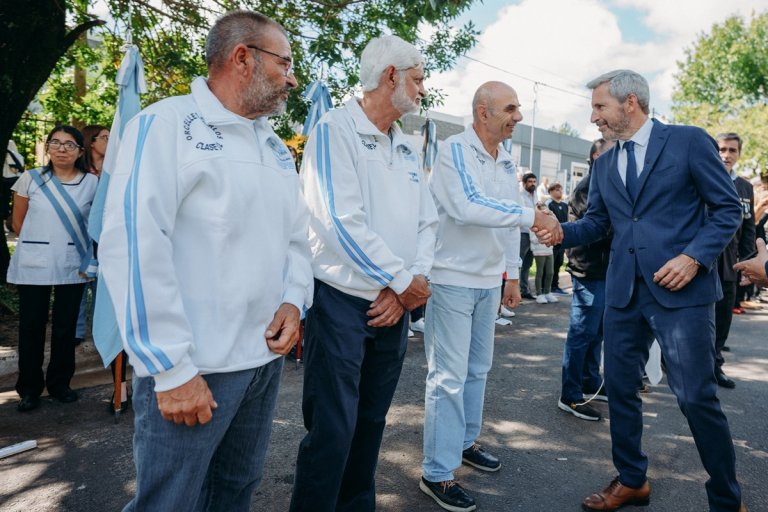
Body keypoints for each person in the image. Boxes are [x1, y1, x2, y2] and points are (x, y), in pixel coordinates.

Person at [98, 11, 313, 511]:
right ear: (243, 58)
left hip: (261, 363)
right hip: (194, 368)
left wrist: (292, 300)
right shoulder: (164, 124)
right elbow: (132, 244)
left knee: (235, 492)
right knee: (169, 501)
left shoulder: (276, 148)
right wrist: (168, 367)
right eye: (284, 62)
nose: (292, 76)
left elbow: (296, 239)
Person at [559, 69, 746, 511]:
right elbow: (599, 224)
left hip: (682, 290)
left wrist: (694, 257)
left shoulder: (688, 141)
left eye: (599, 107)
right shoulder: (604, 163)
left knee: (696, 397)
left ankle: (726, 497)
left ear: (630, 103)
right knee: (621, 390)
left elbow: (725, 210)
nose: (594, 118)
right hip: (623, 293)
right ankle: (631, 480)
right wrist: (558, 232)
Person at [290, 35, 437, 512]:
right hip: (342, 303)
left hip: (396, 305)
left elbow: (427, 223)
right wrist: (401, 280)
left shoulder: (408, 146)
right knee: (333, 428)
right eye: (417, 79)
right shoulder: (336, 130)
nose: (421, 90)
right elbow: (337, 220)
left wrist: (407, 285)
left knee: (372, 422)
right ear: (390, 76)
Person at [420, 81, 561, 512]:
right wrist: (530, 215)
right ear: (483, 112)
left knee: (477, 370)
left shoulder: (505, 159)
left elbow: (502, 225)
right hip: (451, 280)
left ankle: (463, 443)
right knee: (447, 377)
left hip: (486, 281)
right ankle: (437, 473)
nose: (518, 116)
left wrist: (513, 276)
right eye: (510, 108)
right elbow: (468, 206)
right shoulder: (454, 151)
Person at [8, 125, 98, 412]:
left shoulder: (92, 184)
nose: (62, 149)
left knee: (65, 327)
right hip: (34, 263)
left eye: (69, 144)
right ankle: (29, 389)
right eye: (56, 143)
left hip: (73, 263)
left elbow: (95, 225)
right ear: (47, 148)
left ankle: (60, 384)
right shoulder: (30, 179)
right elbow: (18, 223)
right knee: (31, 326)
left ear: (80, 151)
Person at [557, 138, 614, 422]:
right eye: (611, 152)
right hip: (588, 270)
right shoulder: (588, 186)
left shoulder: (606, 182)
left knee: (598, 332)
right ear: (595, 156)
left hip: (605, 271)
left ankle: (591, 380)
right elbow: (593, 227)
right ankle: (570, 394)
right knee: (581, 334)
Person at [712, 132, 755, 388]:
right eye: (722, 149)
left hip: (730, 264)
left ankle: (715, 366)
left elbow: (748, 229)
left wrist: (747, 263)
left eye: (732, 150)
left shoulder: (745, 187)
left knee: (723, 318)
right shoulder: (701, 178)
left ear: (739, 154)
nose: (726, 155)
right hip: (701, 262)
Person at [74, 125, 109, 345]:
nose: (110, 141)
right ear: (91, 142)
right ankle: (76, 333)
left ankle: (100, 333)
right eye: (105, 137)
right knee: (79, 283)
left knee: (102, 287)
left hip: (105, 236)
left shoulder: (115, 170)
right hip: (80, 234)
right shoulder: (80, 172)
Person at [2, 139, 24, 283]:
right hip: (14, 178)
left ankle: (6, 221)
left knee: (5, 203)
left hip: (6, 179)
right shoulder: (14, 149)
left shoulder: (8, 147)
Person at [546, 181, 569, 294]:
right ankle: (547, 287)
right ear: (550, 192)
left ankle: (556, 285)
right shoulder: (549, 205)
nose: (560, 192)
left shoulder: (565, 205)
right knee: (551, 264)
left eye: (561, 189)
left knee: (559, 262)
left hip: (562, 239)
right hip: (553, 239)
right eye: (557, 190)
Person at [518, 172, 538, 298]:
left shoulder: (535, 195)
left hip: (533, 234)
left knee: (528, 264)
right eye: (530, 182)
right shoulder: (520, 196)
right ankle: (513, 289)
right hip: (523, 233)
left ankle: (524, 290)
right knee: (518, 262)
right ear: (524, 183)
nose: (532, 184)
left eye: (534, 181)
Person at [530, 228, 556, 304]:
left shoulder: (549, 221)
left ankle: (547, 292)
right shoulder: (534, 223)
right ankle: (539, 294)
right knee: (540, 272)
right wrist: (543, 238)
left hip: (549, 249)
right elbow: (533, 239)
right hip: (539, 250)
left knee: (550, 272)